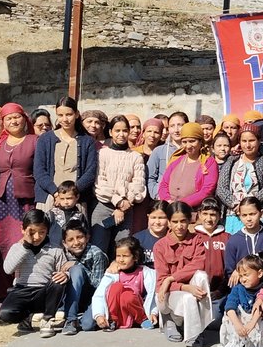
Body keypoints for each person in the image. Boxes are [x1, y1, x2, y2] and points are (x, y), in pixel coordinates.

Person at [0, 102, 39, 301]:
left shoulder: (35, 140)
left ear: (24, 119)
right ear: (3, 123)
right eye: (8, 118)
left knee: (24, 241)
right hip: (3, 202)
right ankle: (1, 294)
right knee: (2, 243)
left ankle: (24, 291)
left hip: (26, 198)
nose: (13, 121)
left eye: (16, 117)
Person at [0, 209, 68, 338]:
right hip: (22, 290)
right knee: (5, 313)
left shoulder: (55, 249)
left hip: (44, 292)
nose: (37, 237)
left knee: (58, 283)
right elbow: (8, 269)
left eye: (42, 232)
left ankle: (48, 319)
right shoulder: (17, 248)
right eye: (32, 232)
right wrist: (26, 246)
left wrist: (66, 275)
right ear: (23, 230)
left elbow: (64, 269)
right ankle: (27, 318)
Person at [154, 202, 213, 347]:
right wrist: (184, 287)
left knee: (202, 276)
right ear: (168, 222)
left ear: (189, 221)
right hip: (169, 293)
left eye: (183, 221)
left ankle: (198, 329)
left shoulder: (197, 240)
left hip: (190, 291)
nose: (179, 226)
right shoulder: (160, 246)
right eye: (174, 222)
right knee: (187, 296)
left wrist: (171, 278)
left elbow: (199, 264)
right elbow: (162, 282)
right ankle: (170, 320)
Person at [93, 115, 147, 253]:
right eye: (117, 131)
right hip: (104, 206)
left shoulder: (136, 157)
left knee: (122, 249)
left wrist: (124, 204)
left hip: (127, 208)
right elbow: (100, 182)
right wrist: (117, 201)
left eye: (124, 130)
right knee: (98, 249)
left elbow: (138, 183)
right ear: (111, 132)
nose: (121, 134)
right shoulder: (102, 154)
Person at [34, 97, 99, 209]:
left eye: (69, 114)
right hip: (49, 197)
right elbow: (39, 170)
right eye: (60, 115)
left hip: (76, 199)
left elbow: (90, 172)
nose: (65, 119)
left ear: (77, 114)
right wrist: (56, 193)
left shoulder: (87, 141)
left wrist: (72, 194)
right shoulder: (45, 139)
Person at [83, 237, 148, 331]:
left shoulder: (144, 272)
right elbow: (100, 294)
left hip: (135, 310)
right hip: (118, 314)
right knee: (117, 286)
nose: (121, 260)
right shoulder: (113, 272)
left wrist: (153, 313)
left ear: (135, 257)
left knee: (127, 296)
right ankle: (112, 320)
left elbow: (152, 293)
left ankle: (142, 319)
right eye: (118, 256)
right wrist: (99, 315)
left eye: (125, 256)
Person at [220, 254, 263, 347]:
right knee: (229, 314)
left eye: (246, 275)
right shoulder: (238, 289)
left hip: (256, 321)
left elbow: (261, 308)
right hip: (241, 323)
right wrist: (238, 325)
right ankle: (237, 343)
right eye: (241, 276)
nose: (243, 279)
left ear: (259, 273)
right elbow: (230, 305)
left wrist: (251, 324)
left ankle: (257, 345)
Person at [217, 123, 263, 233]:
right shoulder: (232, 161)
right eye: (244, 141)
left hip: (257, 215)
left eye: (251, 140)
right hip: (234, 214)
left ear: (259, 141)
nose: (247, 145)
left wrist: (248, 206)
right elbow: (221, 188)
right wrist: (235, 204)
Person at [59, 219, 109, 336]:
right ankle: (71, 319)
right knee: (75, 271)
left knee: (87, 326)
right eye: (70, 240)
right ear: (64, 243)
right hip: (72, 296)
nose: (76, 242)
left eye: (79, 237)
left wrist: (78, 265)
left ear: (87, 237)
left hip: (93, 296)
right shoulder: (63, 254)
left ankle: (80, 317)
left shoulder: (96, 254)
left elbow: (98, 285)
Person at [157, 123, 218, 208]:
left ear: (201, 141)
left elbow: (207, 190)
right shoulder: (175, 161)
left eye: (192, 141)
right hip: (171, 210)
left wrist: (182, 204)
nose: (188, 146)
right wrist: (168, 201)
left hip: (193, 212)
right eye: (184, 142)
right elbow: (164, 184)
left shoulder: (209, 163)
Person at [223, 197, 263, 280]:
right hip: (242, 288)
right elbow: (230, 272)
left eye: (252, 214)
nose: (248, 219)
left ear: (261, 213)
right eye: (244, 215)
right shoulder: (233, 240)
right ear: (239, 216)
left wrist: (241, 269)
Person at [134, 201, 168, 326]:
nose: (157, 222)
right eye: (154, 217)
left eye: (162, 217)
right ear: (148, 217)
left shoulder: (172, 238)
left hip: (163, 282)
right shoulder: (138, 238)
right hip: (143, 282)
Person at [147, 111, 187, 200]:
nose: (176, 130)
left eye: (180, 125)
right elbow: (150, 177)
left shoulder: (192, 151)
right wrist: (157, 195)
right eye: (172, 126)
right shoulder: (159, 151)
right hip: (163, 200)